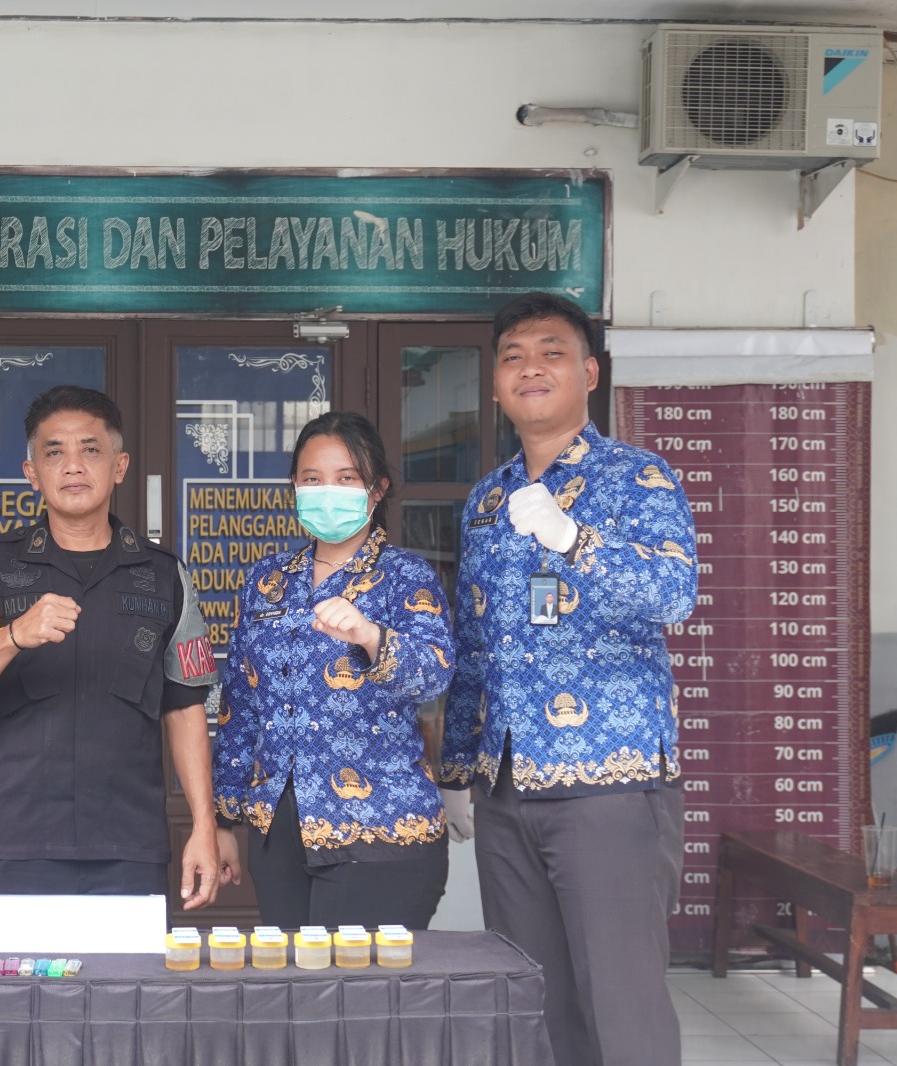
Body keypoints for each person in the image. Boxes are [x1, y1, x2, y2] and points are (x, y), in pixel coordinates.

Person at [441, 291, 697, 1066]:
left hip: (609, 786)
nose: (531, 369)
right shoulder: (486, 499)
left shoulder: (639, 477)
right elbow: (474, 643)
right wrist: (457, 769)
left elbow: (675, 595)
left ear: (589, 372)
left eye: (551, 353)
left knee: (621, 1009)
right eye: (513, 357)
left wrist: (572, 539)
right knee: (531, 1005)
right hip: (507, 784)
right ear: (495, 385)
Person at [0, 385, 220, 906]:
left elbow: (185, 707)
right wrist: (14, 635)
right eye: (54, 452)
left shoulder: (164, 575)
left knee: (132, 967)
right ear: (32, 472)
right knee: (14, 967)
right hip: (23, 842)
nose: (72, 466)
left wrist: (204, 824)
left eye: (90, 450)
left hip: (130, 844)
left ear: (119, 466)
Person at [213, 411, 454, 929]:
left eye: (346, 478)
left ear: (377, 489)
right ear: (295, 487)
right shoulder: (268, 579)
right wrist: (224, 819)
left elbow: (434, 675)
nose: (328, 492)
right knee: (293, 977)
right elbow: (241, 705)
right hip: (278, 831)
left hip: (382, 829)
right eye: (313, 478)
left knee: (357, 979)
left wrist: (371, 636)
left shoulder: (406, 576)